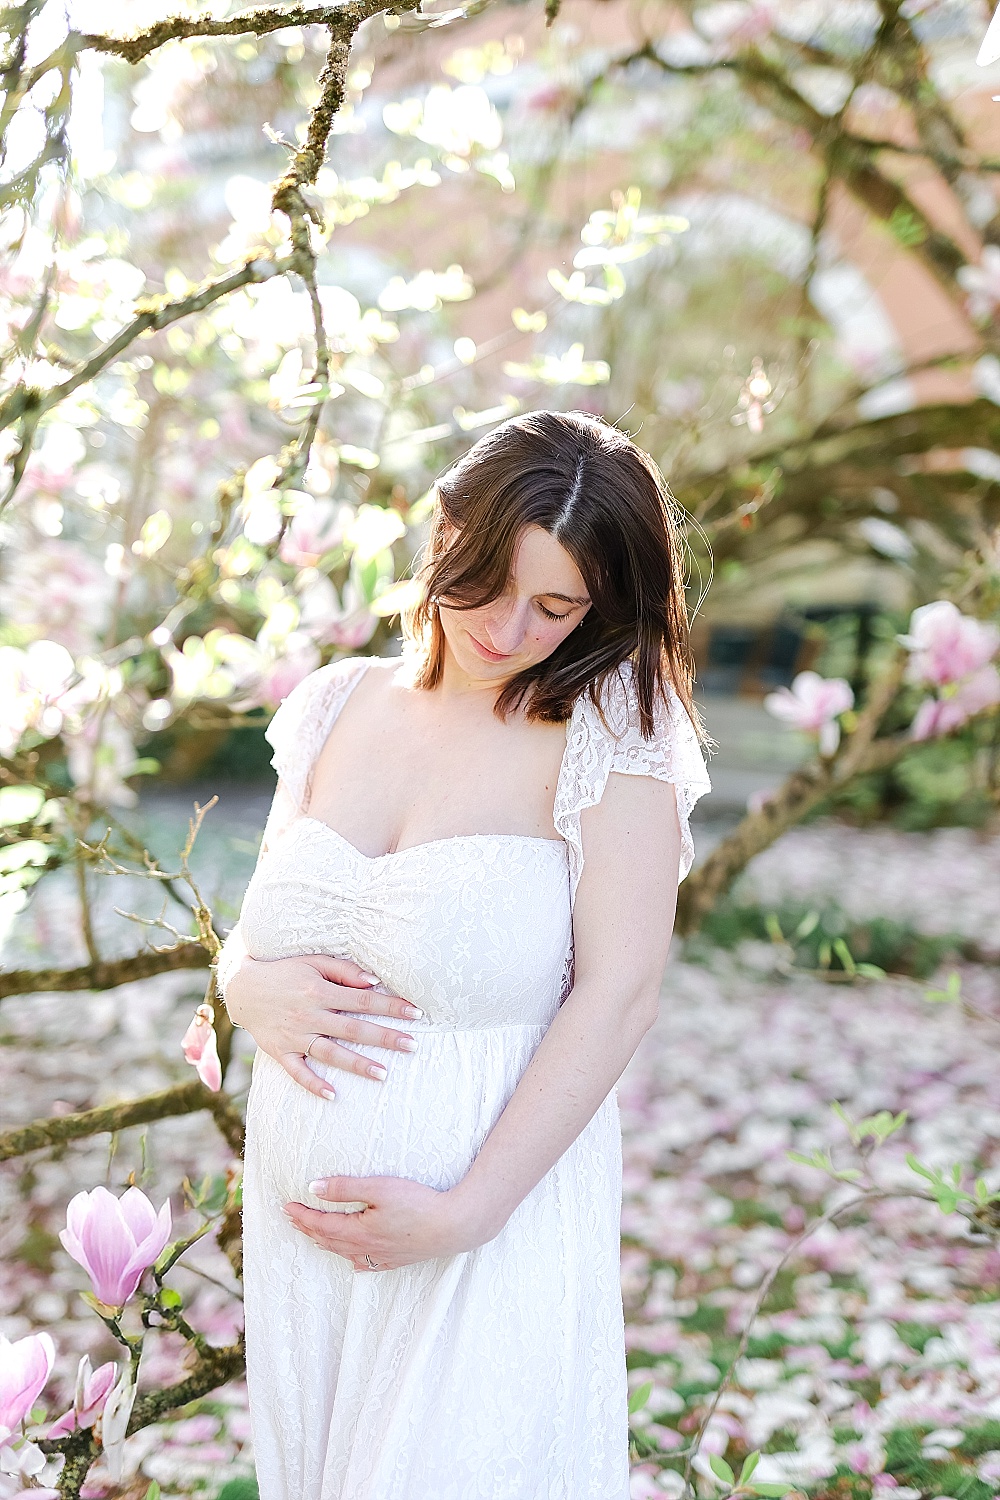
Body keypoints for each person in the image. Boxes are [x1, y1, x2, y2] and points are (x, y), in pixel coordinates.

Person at [215, 409, 712, 1499]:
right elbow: (259, 929)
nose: (509, 629)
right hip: (306, 1248)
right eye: (488, 587)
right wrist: (242, 984)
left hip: (488, 1227)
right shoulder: (334, 706)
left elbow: (620, 996)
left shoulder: (609, 736)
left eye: (556, 605)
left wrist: (468, 1211)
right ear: (443, 537)